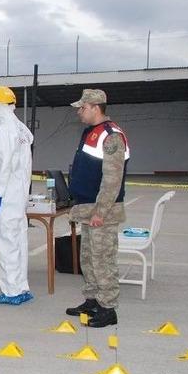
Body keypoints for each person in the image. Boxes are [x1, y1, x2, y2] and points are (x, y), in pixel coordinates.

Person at [65, 89, 130, 328]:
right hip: (88, 207)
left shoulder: (111, 135)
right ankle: (92, 300)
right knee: (89, 259)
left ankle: (108, 308)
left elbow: (112, 179)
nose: (79, 112)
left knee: (103, 260)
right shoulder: (91, 132)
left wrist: (100, 213)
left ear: (95, 107)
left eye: (82, 108)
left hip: (102, 211)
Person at [0, 86, 34, 305]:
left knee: (6, 243)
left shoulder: (3, 131)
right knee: (19, 242)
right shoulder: (21, 130)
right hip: (19, 197)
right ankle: (21, 287)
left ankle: (11, 291)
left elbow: (4, 166)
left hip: (7, 197)